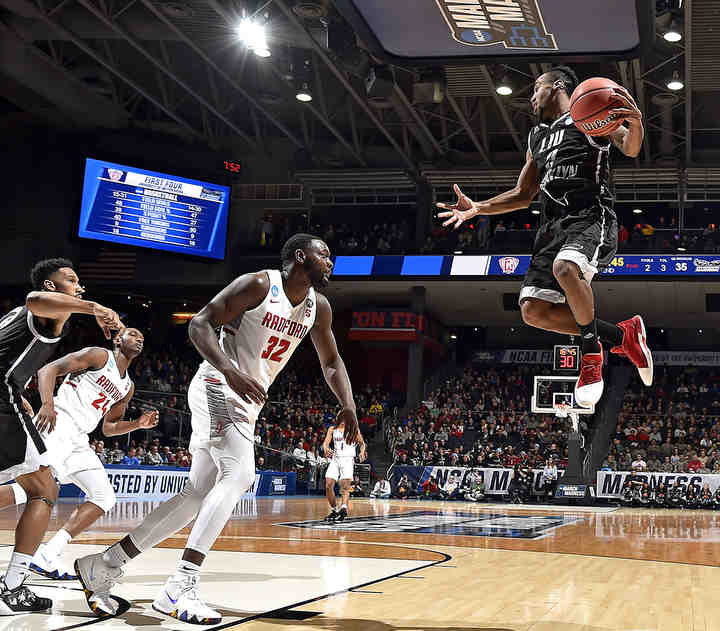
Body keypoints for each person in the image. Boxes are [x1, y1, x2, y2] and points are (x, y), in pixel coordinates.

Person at [74, 234, 360, 624]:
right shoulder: (260, 284)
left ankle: (104, 564)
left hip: (247, 401)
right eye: (324, 254)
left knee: (195, 495)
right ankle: (179, 586)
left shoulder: (317, 307)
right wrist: (230, 370)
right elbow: (199, 324)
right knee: (240, 475)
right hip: (217, 385)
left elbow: (331, 361)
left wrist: (349, 405)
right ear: (299, 256)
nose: (331, 260)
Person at [437, 66, 652, 408]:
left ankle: (591, 355)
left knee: (566, 269)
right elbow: (523, 193)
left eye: (536, 88)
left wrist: (636, 122)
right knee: (533, 311)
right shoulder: (536, 136)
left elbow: (629, 146)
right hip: (550, 228)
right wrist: (477, 208)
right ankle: (622, 335)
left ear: (556, 87)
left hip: (589, 215)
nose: (531, 96)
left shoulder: (588, 111)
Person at [0, 258, 121, 615]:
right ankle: (12, 586)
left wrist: (16, 386)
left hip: (8, 396)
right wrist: (95, 307)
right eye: (71, 280)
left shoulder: (21, 322)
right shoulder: (39, 308)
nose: (79, 286)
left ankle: (13, 585)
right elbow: (36, 299)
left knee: (39, 487)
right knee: (43, 489)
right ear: (53, 287)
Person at [0, 328, 158, 580]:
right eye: (133, 334)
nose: (139, 338)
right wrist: (48, 405)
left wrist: (137, 424)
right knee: (35, 490)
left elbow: (109, 428)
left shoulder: (127, 387)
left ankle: (48, 553)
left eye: (142, 336)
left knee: (104, 496)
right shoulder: (98, 356)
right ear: (118, 339)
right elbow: (47, 370)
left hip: (80, 439)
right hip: (58, 424)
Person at [323, 413, 367, 522]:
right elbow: (326, 443)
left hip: (347, 459)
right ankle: (334, 510)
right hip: (335, 459)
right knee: (328, 484)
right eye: (341, 418)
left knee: (344, 486)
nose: (343, 420)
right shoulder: (332, 429)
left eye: (345, 418)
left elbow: (362, 443)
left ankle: (343, 509)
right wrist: (326, 448)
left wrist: (362, 452)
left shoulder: (353, 430)